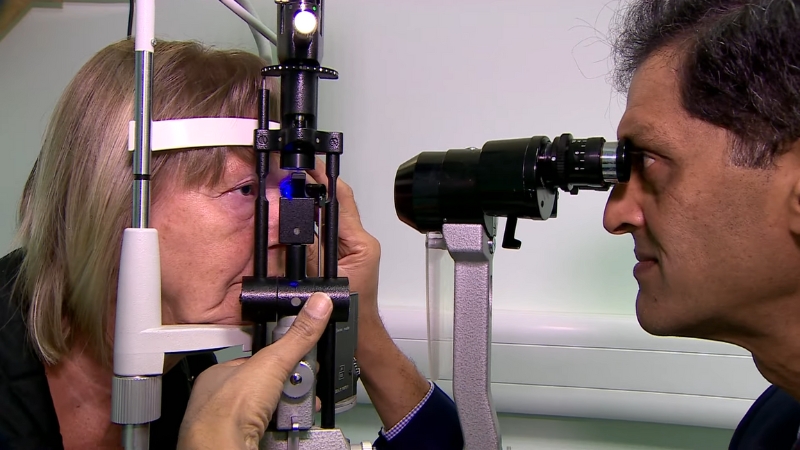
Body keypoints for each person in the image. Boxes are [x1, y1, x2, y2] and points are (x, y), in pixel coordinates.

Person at [189, 0, 800, 448]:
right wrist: (360, 321)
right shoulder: (775, 422)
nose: (615, 216)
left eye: (653, 166)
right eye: (243, 189)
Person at [0, 38, 462, 450]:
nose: (291, 225)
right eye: (245, 189)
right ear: (112, 202)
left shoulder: (195, 365)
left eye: (293, 190)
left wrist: (356, 315)